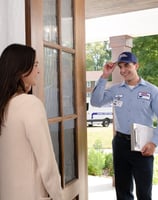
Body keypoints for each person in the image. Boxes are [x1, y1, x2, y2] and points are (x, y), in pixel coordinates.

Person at [91, 51, 158, 200]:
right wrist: (104, 76)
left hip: (142, 146)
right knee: (122, 191)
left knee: (144, 193)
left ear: (136, 65)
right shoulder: (115, 90)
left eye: (127, 65)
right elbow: (96, 101)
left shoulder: (152, 91)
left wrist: (154, 143)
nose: (122, 70)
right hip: (120, 144)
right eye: (120, 66)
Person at [0, 44, 63, 200]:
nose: (38, 71)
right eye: (35, 65)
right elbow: (46, 161)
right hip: (31, 194)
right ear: (21, 70)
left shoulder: (4, 105)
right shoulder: (30, 104)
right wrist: (58, 196)